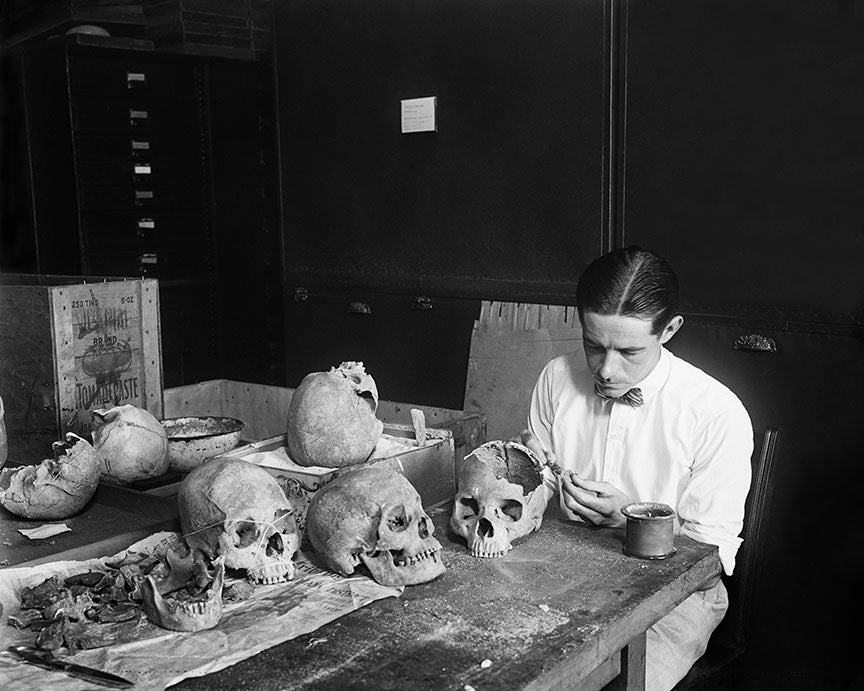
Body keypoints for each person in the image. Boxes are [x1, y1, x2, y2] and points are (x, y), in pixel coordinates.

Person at [522, 247, 753, 691]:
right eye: (594, 345)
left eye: (629, 351)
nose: (606, 370)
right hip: (562, 575)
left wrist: (631, 521)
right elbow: (537, 487)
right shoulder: (555, 376)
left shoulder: (715, 412)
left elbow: (711, 561)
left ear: (669, 330)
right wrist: (528, 470)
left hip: (675, 601)